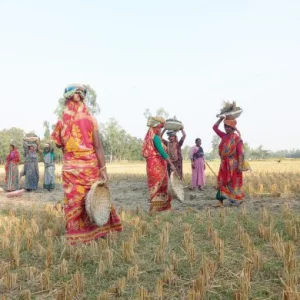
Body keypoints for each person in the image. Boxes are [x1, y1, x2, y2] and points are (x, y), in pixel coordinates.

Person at [51, 84, 122, 244]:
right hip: (90, 168)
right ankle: (99, 231)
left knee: (75, 202)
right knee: (94, 198)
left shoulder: (62, 122)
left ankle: (77, 236)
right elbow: (98, 146)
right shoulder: (91, 119)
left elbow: (58, 143)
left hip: (71, 169)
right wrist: (103, 168)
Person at [142, 116, 176, 213]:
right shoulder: (156, 138)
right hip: (158, 165)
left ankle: (156, 208)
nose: (160, 130)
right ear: (155, 127)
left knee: (155, 187)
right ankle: (160, 208)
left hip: (151, 166)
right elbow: (163, 152)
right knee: (160, 186)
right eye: (159, 128)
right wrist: (171, 165)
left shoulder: (150, 138)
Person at [213, 117, 245, 207]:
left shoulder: (237, 138)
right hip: (224, 164)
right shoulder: (224, 136)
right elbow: (214, 128)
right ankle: (220, 201)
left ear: (233, 128)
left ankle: (235, 199)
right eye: (225, 126)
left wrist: (239, 165)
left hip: (233, 164)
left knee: (233, 182)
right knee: (221, 181)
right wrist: (221, 119)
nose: (226, 128)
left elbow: (240, 153)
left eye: (228, 127)